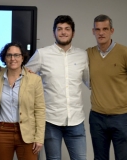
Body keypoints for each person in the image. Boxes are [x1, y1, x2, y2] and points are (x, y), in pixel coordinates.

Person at [26, 15, 89, 160]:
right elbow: (25, 78)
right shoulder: (42, 54)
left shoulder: (82, 55)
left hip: (76, 120)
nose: (63, 32)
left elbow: (90, 82)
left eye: (67, 29)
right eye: (59, 29)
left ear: (73, 32)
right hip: (50, 120)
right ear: (54, 32)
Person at [0, 42, 45, 160]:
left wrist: (39, 137)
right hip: (1, 131)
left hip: (27, 132)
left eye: (16, 55)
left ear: (22, 57)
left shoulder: (34, 79)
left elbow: (40, 109)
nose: (13, 58)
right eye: (9, 55)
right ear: (4, 58)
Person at [87, 14, 127, 160]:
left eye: (105, 29)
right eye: (97, 29)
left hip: (122, 117)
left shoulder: (124, 52)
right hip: (97, 117)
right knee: (100, 158)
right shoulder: (88, 54)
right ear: (93, 31)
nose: (101, 33)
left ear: (112, 30)